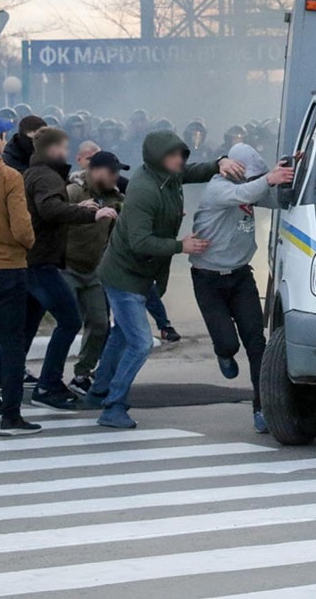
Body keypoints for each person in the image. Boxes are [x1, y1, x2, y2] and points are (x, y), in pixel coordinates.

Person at [86, 130, 243, 428]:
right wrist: (180, 246)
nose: (179, 160)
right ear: (157, 158)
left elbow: (192, 171)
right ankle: (112, 405)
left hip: (141, 274)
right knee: (141, 342)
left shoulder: (167, 175)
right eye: (172, 155)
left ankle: (98, 391)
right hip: (124, 275)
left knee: (122, 334)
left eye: (180, 154)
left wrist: (219, 163)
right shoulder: (145, 189)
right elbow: (139, 241)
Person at [0, 128, 118, 411]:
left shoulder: (37, 173)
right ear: (51, 149)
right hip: (40, 263)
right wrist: (91, 213)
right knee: (70, 320)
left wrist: (75, 206)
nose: (66, 152)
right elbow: (49, 209)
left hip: (32, 261)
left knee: (23, 331)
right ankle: (48, 385)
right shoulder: (46, 175)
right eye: (63, 147)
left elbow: (50, 207)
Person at [190, 144, 294, 433]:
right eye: (251, 177)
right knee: (228, 343)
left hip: (240, 276)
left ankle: (261, 407)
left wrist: (288, 177)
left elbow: (271, 199)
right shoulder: (219, 188)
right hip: (208, 278)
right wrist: (267, 180)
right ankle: (223, 352)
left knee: (256, 343)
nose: (254, 184)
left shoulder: (249, 187)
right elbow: (245, 193)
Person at [0, 115, 41, 436]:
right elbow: (22, 228)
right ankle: (10, 417)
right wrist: (26, 243)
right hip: (8, 269)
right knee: (13, 342)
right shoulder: (8, 177)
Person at [62, 151, 127, 396]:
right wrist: (78, 210)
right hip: (66, 267)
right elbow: (54, 216)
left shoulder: (116, 198)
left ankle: (82, 374)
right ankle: (51, 378)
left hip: (94, 271)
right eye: (112, 172)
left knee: (100, 324)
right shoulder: (73, 192)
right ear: (96, 170)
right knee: (68, 323)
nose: (115, 177)